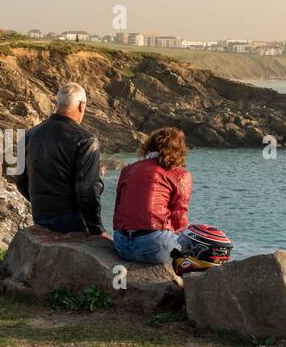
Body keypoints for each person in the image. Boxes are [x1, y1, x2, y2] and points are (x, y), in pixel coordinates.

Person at [12, 82, 105, 235]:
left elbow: (21, 181)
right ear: (81, 105)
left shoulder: (29, 135)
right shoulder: (87, 140)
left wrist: (41, 204)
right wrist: (97, 230)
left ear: (59, 104)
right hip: (72, 220)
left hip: (40, 215)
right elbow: (87, 190)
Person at [111, 126, 193, 264]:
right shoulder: (181, 175)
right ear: (179, 151)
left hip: (122, 245)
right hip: (155, 247)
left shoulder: (128, 170)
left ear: (149, 146)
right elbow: (179, 218)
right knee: (199, 241)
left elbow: (118, 207)